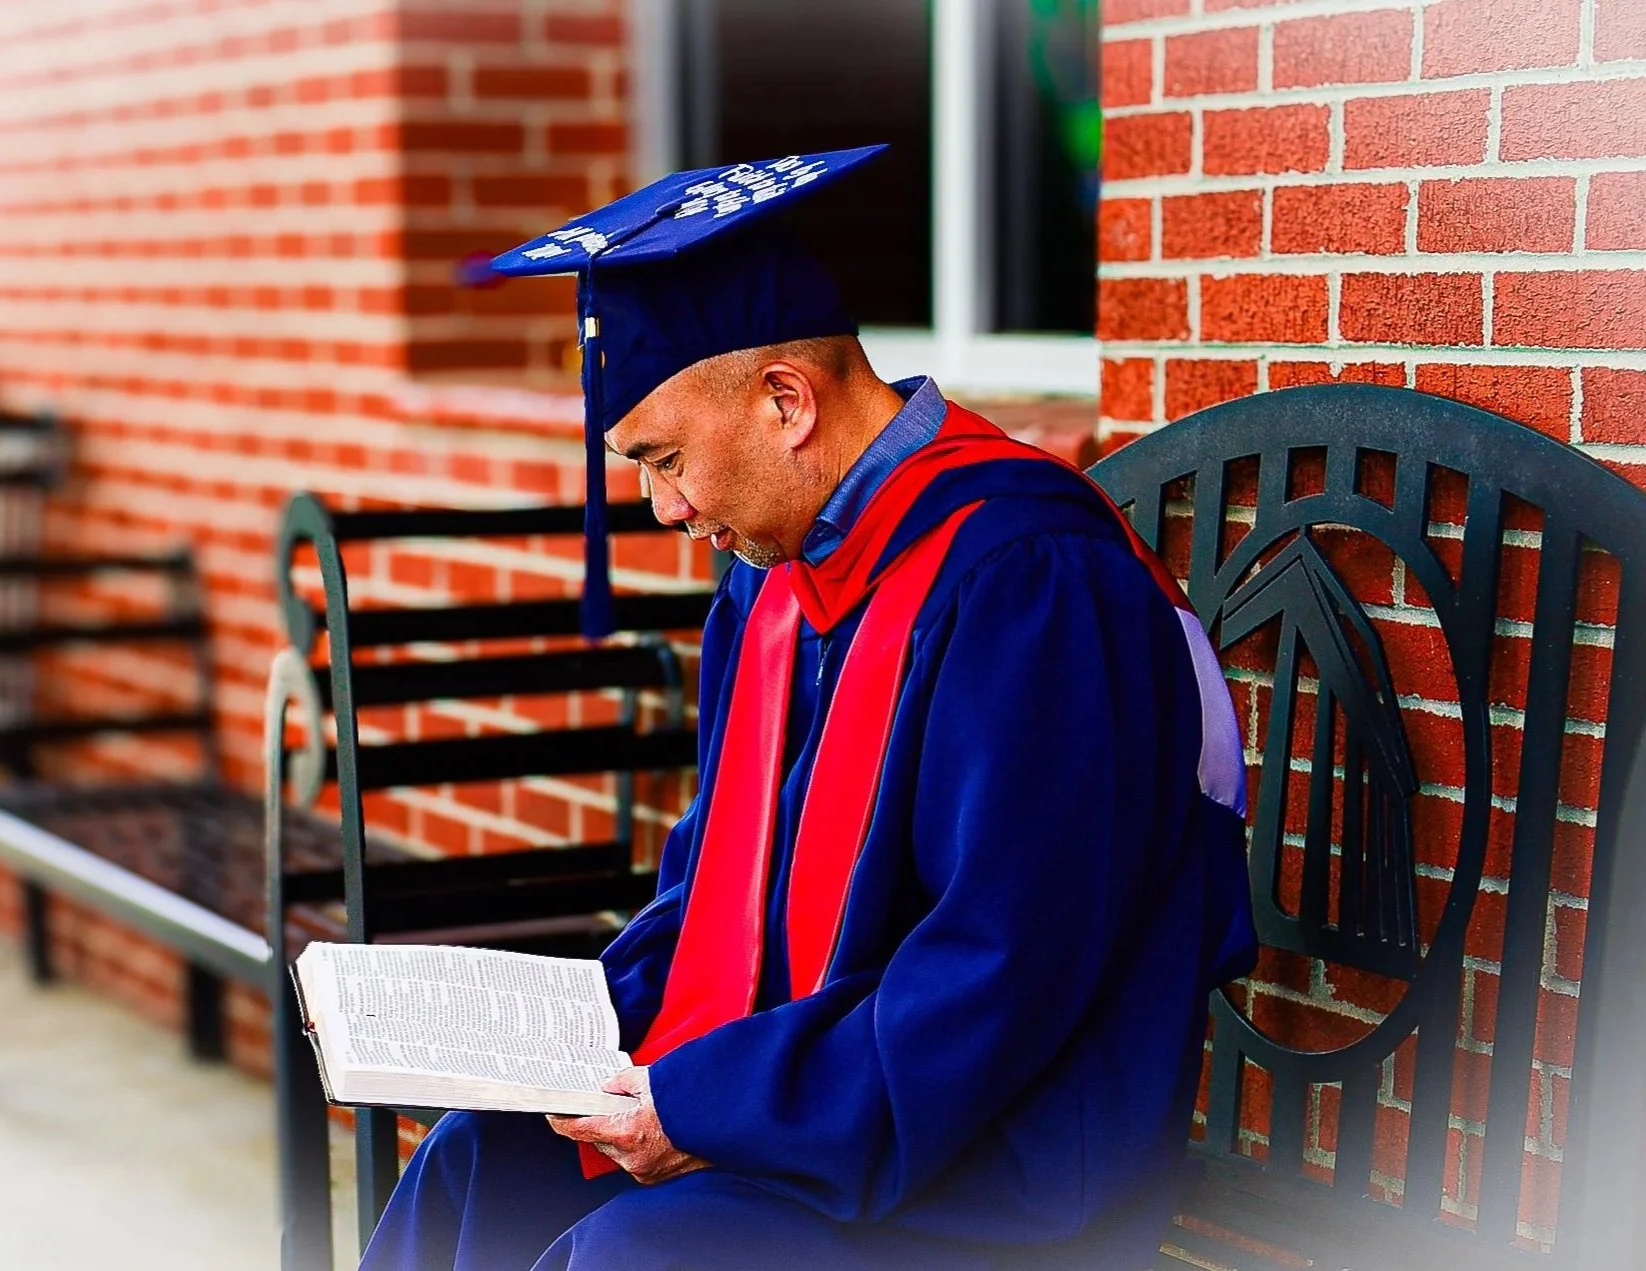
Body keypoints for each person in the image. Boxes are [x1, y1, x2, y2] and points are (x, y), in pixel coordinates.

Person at [357, 147, 1256, 1271]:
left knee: (633, 1253)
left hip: (1000, 1149)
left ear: (786, 400)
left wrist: (712, 1104)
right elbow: (712, 894)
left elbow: (1010, 960)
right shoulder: (777, 585)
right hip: (815, 1080)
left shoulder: (1028, 580)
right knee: (478, 1155)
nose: (663, 506)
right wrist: (566, 1040)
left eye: (667, 457)